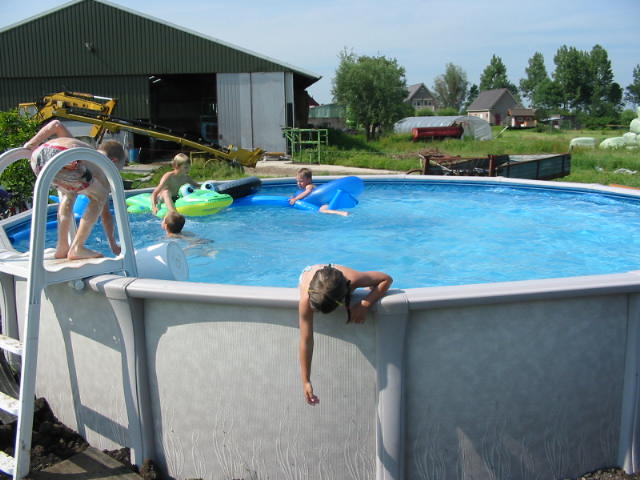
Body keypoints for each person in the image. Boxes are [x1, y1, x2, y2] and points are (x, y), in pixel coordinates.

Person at [23, 120, 126, 260]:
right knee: (99, 197)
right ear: (113, 161)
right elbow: (106, 215)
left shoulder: (79, 145)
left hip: (38, 158)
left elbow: (56, 124)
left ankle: (62, 246)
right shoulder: (102, 167)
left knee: (69, 193)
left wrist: (30, 145)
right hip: (68, 162)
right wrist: (113, 244)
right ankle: (77, 247)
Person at [298, 264, 392, 405]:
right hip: (312, 273)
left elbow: (387, 279)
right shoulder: (307, 298)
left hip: (334, 279)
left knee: (369, 286)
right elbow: (306, 340)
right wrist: (306, 380)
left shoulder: (353, 280)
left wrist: (365, 304)